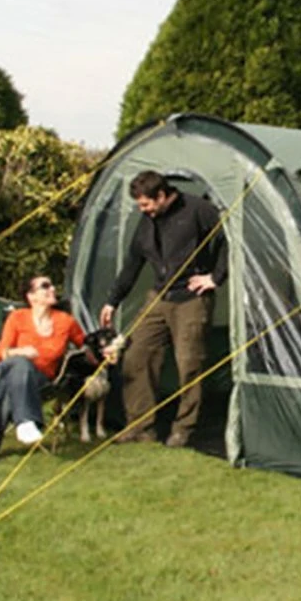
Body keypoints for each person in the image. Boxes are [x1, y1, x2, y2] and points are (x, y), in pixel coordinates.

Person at [99, 171, 227, 448]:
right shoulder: (148, 221)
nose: (142, 210)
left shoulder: (199, 210)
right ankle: (140, 427)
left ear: (161, 196)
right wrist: (113, 300)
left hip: (191, 299)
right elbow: (134, 262)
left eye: (145, 204)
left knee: (189, 365)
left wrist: (215, 278)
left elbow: (228, 241)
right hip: (158, 297)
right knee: (136, 355)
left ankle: (183, 429)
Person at [0, 275, 85, 465]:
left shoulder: (65, 321)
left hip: (40, 379)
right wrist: (21, 351)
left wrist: (105, 346)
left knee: (12, 385)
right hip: (2, 370)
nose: (52, 289)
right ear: (31, 296)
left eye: (52, 285)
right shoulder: (17, 317)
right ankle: (26, 420)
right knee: (20, 364)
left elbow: (85, 344)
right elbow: (3, 352)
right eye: (45, 286)